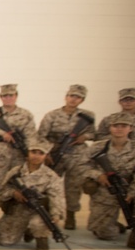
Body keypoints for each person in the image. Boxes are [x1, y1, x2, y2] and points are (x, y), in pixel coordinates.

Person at [83, 112, 135, 250]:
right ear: (110, 128)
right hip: (105, 192)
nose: (119, 129)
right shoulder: (97, 147)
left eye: (124, 126)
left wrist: (132, 193)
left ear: (130, 128)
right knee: (105, 234)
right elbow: (82, 166)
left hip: (132, 189)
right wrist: (98, 175)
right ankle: (114, 224)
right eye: (116, 126)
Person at [37, 84, 95, 230]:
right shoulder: (52, 115)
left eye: (78, 97)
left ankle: (71, 215)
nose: (74, 100)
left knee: (73, 187)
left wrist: (85, 136)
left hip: (77, 155)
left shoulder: (87, 116)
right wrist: (47, 153)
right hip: (55, 154)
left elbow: (95, 133)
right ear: (66, 97)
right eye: (71, 96)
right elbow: (41, 136)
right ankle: (48, 213)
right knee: (48, 185)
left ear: (82, 100)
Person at [0, 137, 65, 250]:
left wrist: (56, 215)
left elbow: (57, 198)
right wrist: (13, 193)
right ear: (28, 153)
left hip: (38, 213)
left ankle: (39, 236)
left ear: (46, 156)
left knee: (39, 223)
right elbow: (0, 192)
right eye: (33, 152)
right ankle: (25, 230)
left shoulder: (51, 176)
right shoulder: (16, 172)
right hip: (18, 211)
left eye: (41, 153)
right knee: (4, 241)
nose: (36, 156)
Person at [0, 84, 36, 184]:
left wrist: (30, 153)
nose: (8, 98)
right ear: (0, 97)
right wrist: (1, 133)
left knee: (17, 184)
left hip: (19, 156)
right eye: (5, 96)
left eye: (11, 95)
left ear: (16, 96)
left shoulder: (26, 115)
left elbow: (31, 136)